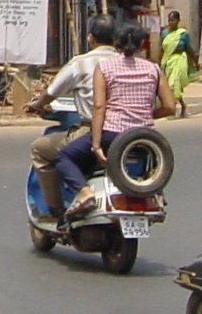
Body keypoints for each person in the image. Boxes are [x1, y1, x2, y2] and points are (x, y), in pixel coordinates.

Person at [55, 18, 176, 218]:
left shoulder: (105, 68)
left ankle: (84, 194)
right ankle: (155, 194)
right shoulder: (154, 69)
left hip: (112, 135)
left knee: (64, 157)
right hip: (144, 137)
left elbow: (99, 106)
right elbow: (170, 107)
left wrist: (95, 145)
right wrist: (148, 114)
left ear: (116, 43)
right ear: (141, 44)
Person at [26, 15, 115, 222]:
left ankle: (56, 211)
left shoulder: (82, 63)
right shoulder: (129, 64)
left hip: (95, 131)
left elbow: (52, 91)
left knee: (40, 149)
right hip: (131, 134)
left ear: (91, 38)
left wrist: (37, 105)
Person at [159, 10, 194, 117]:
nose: (171, 22)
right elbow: (161, 49)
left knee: (173, 83)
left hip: (179, 60)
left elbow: (189, 48)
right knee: (172, 86)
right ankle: (183, 105)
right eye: (169, 20)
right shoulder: (164, 33)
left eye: (173, 20)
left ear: (178, 21)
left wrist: (195, 62)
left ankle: (172, 109)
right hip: (168, 61)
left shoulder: (183, 34)